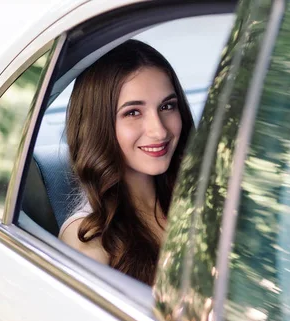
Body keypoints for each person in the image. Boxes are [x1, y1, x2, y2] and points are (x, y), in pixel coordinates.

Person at [59, 39, 194, 286]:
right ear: (98, 125)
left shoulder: (194, 195)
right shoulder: (89, 238)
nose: (159, 130)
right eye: (133, 112)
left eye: (167, 106)